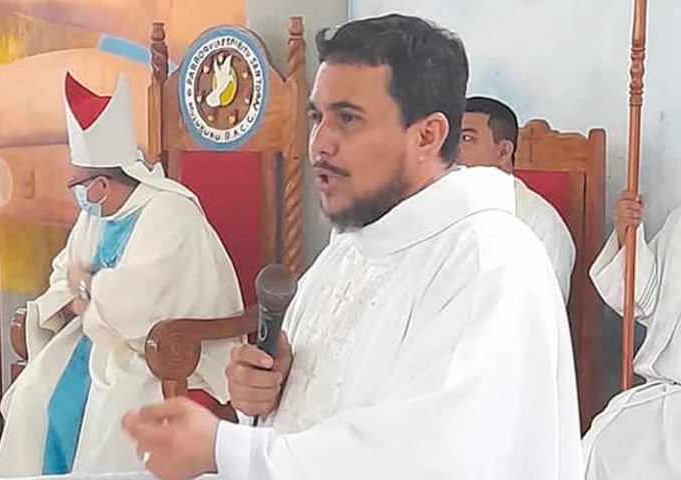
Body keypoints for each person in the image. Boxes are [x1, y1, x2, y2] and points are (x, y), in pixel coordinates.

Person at [122, 14, 582, 480]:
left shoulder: (492, 263)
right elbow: (304, 416)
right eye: (317, 118)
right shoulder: (351, 248)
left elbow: (430, 459)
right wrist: (263, 393)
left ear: (427, 135)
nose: (319, 145)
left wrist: (228, 448)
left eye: (348, 119)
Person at [0, 71, 244, 477]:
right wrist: (78, 292)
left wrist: (88, 287)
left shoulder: (170, 213)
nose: (76, 191)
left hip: (158, 354)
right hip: (104, 340)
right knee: (32, 396)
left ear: (103, 184)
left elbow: (142, 300)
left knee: (107, 413)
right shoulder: (99, 214)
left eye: (78, 182)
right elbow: (67, 270)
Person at [582, 190, 681, 479]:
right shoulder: (679, 223)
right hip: (665, 397)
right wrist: (627, 235)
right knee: (601, 446)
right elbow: (643, 299)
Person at [457, 96, 576, 303]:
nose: (452, 150)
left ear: (503, 152)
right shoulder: (435, 209)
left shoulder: (540, 224)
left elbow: (543, 311)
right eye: (450, 139)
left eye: (466, 138)